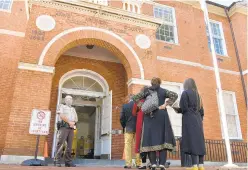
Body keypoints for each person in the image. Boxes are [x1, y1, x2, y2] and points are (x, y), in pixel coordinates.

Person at [140, 77, 178, 170]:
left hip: (150, 116)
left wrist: (144, 108)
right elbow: (175, 95)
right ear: (160, 83)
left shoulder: (146, 91)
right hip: (162, 116)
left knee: (150, 140)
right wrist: (166, 104)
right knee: (163, 139)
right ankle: (161, 164)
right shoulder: (164, 91)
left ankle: (153, 164)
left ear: (151, 83)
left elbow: (137, 101)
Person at [174, 78, 205, 170]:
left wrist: (176, 109)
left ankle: (194, 166)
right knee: (199, 141)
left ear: (186, 85)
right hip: (198, 119)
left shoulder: (185, 93)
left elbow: (184, 108)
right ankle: (201, 165)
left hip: (189, 119)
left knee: (192, 141)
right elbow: (202, 111)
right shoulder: (199, 95)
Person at [54, 95, 78, 167]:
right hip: (64, 127)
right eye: (68, 99)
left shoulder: (73, 109)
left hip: (71, 128)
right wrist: (69, 122)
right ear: (65, 100)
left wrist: (73, 123)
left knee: (69, 145)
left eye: (71, 99)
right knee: (60, 144)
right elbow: (61, 115)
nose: (69, 100)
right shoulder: (62, 106)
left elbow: (76, 118)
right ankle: (57, 160)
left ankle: (68, 162)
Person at [120, 94, 141, 169]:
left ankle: (128, 164)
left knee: (128, 146)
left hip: (128, 128)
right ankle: (138, 163)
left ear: (128, 98)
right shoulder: (139, 106)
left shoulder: (125, 106)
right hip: (138, 128)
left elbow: (121, 118)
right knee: (138, 145)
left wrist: (124, 126)